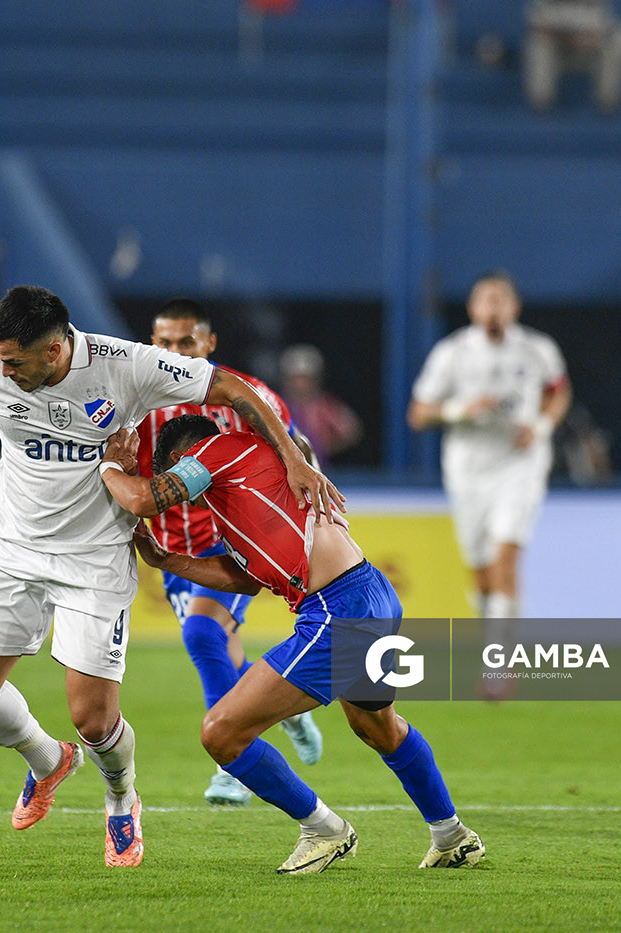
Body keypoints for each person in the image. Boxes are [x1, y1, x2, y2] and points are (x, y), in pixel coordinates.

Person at [0, 285, 340, 867]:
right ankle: (47, 760)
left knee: (93, 719)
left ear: (55, 350)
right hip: (14, 551)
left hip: (94, 558)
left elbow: (230, 387)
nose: (0, 370)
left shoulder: (124, 365)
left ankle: (122, 800)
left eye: (15, 362)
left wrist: (294, 458)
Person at [100, 414, 483, 875]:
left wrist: (110, 467)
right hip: (369, 593)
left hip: (338, 609)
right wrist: (166, 560)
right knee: (379, 728)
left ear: (183, 459)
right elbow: (245, 579)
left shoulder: (215, 452)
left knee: (221, 732)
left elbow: (143, 499)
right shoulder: (241, 495)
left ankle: (324, 830)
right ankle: (452, 835)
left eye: (175, 474)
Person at [137, 299, 324, 806]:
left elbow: (293, 455)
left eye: (186, 343)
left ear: (209, 345)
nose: (174, 354)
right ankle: (287, 711)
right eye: (164, 344)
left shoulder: (245, 397)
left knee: (202, 633)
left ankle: (234, 762)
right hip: (173, 547)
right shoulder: (135, 398)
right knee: (223, 645)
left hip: (231, 542)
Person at [407, 271, 571, 699]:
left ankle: (499, 667)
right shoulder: (453, 353)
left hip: (520, 465)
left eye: (502, 299)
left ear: (514, 306)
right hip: (468, 471)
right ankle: (495, 641)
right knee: (480, 574)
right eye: (486, 300)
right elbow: (419, 413)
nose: (494, 307)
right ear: (473, 308)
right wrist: (461, 410)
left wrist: (540, 425)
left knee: (505, 559)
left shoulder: (538, 349)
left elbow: (559, 392)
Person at [278, 344, 363, 466]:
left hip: (316, 471)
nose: (300, 384)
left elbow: (350, 431)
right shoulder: (274, 404)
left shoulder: (325, 405)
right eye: (296, 378)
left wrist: (320, 447)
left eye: (305, 378)